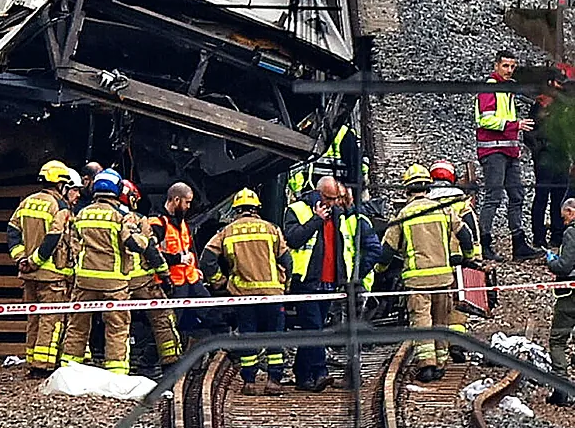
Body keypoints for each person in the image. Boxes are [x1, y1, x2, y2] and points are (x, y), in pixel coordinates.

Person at [375, 165, 475, 382]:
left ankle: (426, 365)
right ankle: (440, 363)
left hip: (417, 280)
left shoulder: (403, 215)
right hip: (443, 278)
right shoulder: (444, 210)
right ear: (428, 187)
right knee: (440, 321)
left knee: (421, 320)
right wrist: (469, 257)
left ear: (407, 190)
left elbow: (387, 251)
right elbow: (465, 235)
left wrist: (378, 270)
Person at [60, 169, 166, 374]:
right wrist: (145, 242)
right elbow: (132, 241)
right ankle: (116, 372)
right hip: (114, 282)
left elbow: (73, 245)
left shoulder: (81, 214)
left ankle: (69, 369)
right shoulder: (121, 216)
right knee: (117, 327)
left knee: (77, 326)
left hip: (84, 281)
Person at [283, 176, 381, 391]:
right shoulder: (297, 209)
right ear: (319, 193)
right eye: (329, 198)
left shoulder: (339, 215)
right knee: (314, 328)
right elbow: (292, 239)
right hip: (305, 281)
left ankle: (301, 375)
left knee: (313, 330)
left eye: (336, 198)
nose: (333, 202)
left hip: (330, 283)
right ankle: (320, 373)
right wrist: (316, 220)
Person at [201, 189, 293, 396]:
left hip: (243, 295)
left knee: (248, 337)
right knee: (275, 336)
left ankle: (249, 382)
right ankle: (273, 381)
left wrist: (220, 283)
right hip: (272, 294)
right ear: (257, 209)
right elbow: (287, 261)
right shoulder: (271, 229)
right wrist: (285, 287)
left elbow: (207, 259)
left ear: (236, 210)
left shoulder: (227, 232)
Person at [6, 160, 75, 375]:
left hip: (28, 275)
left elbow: (12, 231)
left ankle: (31, 361)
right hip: (51, 274)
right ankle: (43, 366)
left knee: (33, 318)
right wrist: (35, 260)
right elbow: (53, 238)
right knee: (50, 320)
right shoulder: (60, 207)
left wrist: (21, 259)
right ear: (60, 184)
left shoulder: (26, 202)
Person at [475, 50, 543, 261]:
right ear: (496, 66)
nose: (509, 70)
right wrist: (516, 125)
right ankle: (484, 243)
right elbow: (484, 120)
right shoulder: (490, 88)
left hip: (508, 150)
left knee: (517, 196)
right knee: (493, 197)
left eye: (512, 67)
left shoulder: (507, 89)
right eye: (505, 66)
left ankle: (518, 243)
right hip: (494, 150)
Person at [149, 182, 223, 341]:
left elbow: (189, 248)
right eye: (187, 202)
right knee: (170, 324)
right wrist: (178, 259)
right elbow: (152, 254)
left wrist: (195, 267)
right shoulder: (157, 223)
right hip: (172, 282)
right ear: (176, 200)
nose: (189, 206)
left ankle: (228, 347)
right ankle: (152, 360)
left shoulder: (182, 223)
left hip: (190, 278)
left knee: (212, 313)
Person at [119, 180, 181, 367]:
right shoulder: (139, 220)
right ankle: (171, 363)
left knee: (117, 324)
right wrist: (165, 276)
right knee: (163, 318)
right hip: (141, 280)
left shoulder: (93, 217)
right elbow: (152, 251)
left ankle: (115, 365)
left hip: (115, 281)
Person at [429, 159, 483, 362]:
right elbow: (470, 231)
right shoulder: (461, 202)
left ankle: (436, 345)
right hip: (459, 259)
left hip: (436, 260)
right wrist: (475, 259)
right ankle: (458, 342)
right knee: (460, 301)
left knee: (439, 304)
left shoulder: (427, 202)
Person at [524, 74, 571, 248]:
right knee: (542, 196)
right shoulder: (541, 104)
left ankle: (558, 236)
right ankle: (539, 237)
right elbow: (528, 132)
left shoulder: (564, 105)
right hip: (546, 156)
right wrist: (539, 151)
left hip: (561, 155)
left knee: (558, 197)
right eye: (559, 83)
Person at [545, 197, 575, 406]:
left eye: (564, 216)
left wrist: (552, 262)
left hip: (570, 296)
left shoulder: (571, 232)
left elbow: (565, 266)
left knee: (558, 340)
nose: (562, 220)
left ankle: (561, 389)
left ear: (571, 211)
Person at [286, 121, 363, 201]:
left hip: (334, 196)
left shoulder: (342, 133)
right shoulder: (305, 129)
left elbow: (355, 169)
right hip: (310, 195)